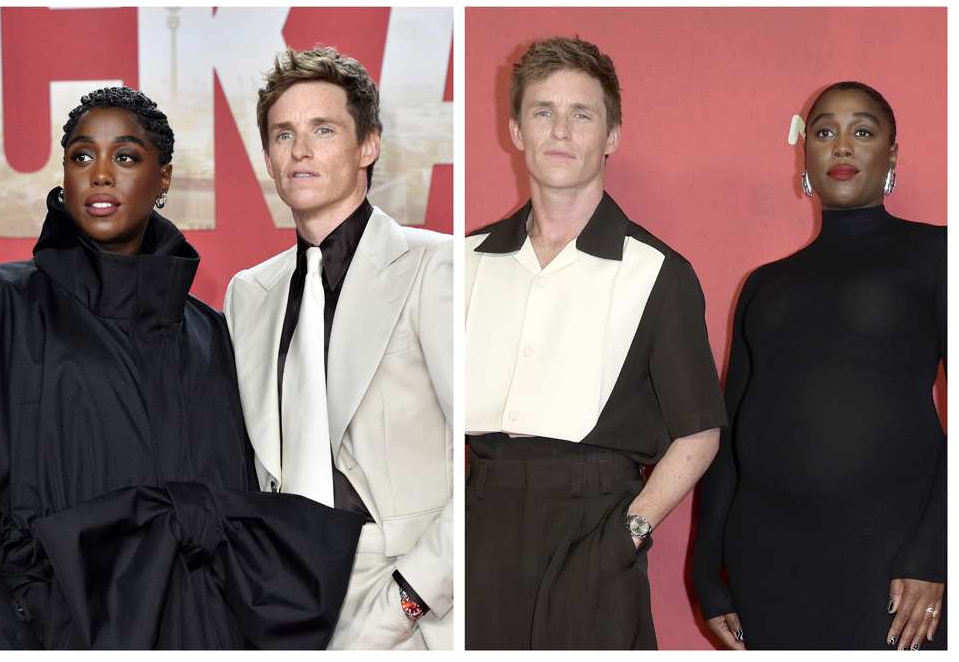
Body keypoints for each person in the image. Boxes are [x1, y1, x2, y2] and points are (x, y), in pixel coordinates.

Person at [0, 86, 364, 649]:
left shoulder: (209, 331)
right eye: (82, 156)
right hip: (54, 627)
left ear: (164, 179)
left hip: (204, 629)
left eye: (126, 157)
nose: (100, 175)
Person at [464, 36, 727, 650]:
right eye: (542, 111)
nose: (560, 130)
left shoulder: (657, 271)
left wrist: (628, 534)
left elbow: (700, 431)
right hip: (482, 525)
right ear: (514, 129)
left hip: (596, 527)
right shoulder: (465, 262)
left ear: (611, 136)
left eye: (582, 114)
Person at [692, 82, 946, 650]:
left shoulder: (938, 256)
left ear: (893, 154)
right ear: (804, 153)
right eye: (825, 132)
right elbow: (727, 437)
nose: (842, 147)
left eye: (863, 132)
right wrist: (708, 572)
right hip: (767, 561)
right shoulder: (763, 283)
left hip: (895, 556)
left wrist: (937, 551)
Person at [222, 47, 453, 650]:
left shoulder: (435, 265)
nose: (300, 150)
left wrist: (410, 596)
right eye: (283, 134)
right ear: (270, 157)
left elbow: (483, 464)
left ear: (368, 145)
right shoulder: (249, 294)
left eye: (323, 130)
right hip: (285, 598)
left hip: (410, 598)